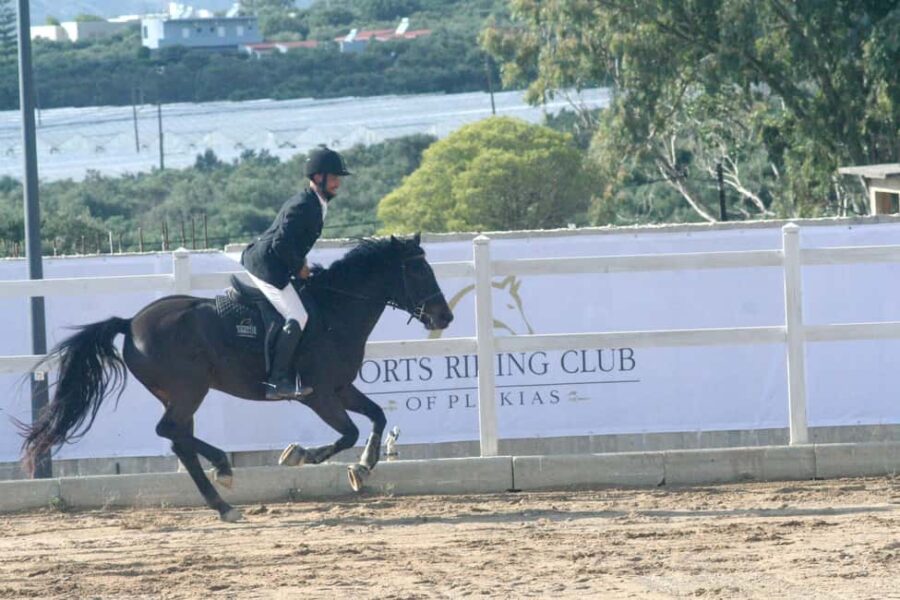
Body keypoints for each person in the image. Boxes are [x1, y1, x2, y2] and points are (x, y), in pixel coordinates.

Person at [241, 145, 351, 399]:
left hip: (276, 262)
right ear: (316, 177)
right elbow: (281, 244)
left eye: (338, 178)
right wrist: (299, 266)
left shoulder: (316, 202)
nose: (337, 183)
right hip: (266, 266)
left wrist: (300, 265)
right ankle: (276, 382)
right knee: (297, 316)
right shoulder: (304, 205)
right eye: (333, 177)